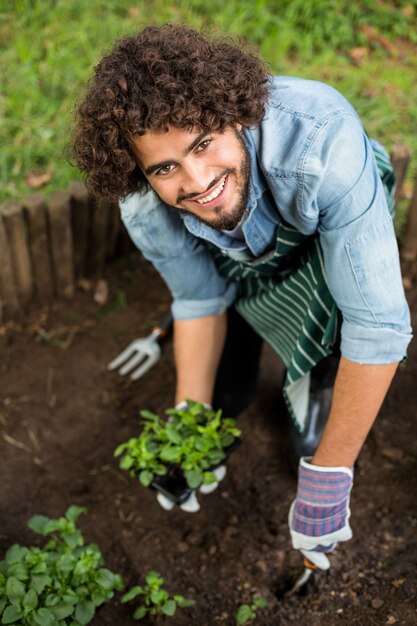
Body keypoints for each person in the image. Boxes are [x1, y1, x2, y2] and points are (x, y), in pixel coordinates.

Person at [72, 24, 412, 571]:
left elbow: (378, 326)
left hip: (324, 224)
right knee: (229, 335)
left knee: (341, 301)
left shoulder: (320, 141)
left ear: (236, 113)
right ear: (141, 173)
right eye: (165, 168)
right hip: (244, 252)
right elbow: (199, 301)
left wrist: (329, 478)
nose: (198, 180)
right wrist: (190, 427)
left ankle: (317, 379)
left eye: (202, 144)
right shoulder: (145, 209)